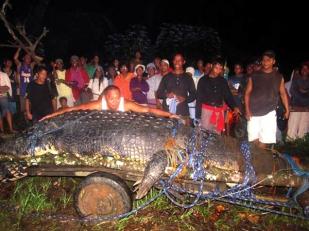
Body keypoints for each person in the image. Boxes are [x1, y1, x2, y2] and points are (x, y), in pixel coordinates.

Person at [42, 85, 179, 120]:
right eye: (111, 98)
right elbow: (73, 109)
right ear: (105, 98)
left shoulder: (125, 104)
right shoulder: (97, 104)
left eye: (117, 98)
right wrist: (51, 115)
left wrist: (169, 114)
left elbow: (148, 109)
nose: (115, 102)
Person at [244, 50, 289, 149]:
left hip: (269, 112)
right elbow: (247, 93)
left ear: (273, 61)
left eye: (268, 60)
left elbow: (283, 94)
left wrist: (287, 109)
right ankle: (254, 159)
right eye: (264, 60)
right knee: (253, 139)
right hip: (253, 112)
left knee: (264, 140)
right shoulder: (255, 75)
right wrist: (247, 110)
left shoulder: (279, 77)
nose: (265, 62)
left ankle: (257, 162)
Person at [196, 59, 240, 134]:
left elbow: (228, 95)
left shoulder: (222, 81)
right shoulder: (203, 80)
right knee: (204, 135)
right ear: (212, 66)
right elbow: (199, 98)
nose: (218, 71)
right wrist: (198, 116)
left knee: (216, 137)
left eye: (220, 69)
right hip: (206, 111)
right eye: (216, 68)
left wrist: (234, 106)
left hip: (218, 112)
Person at [157, 53, 196, 125]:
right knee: (167, 135)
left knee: (183, 135)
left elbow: (194, 94)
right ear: (173, 61)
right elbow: (159, 93)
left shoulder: (188, 78)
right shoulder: (166, 77)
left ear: (183, 62)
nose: (177, 62)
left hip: (183, 112)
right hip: (168, 113)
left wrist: (185, 99)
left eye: (179, 60)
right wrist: (167, 95)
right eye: (175, 60)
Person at [287, 62, 309, 140]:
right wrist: (305, 93)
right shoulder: (296, 79)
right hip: (296, 108)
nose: (304, 70)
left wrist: (301, 91)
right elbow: (293, 92)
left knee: (303, 131)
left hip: (306, 110)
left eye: (306, 68)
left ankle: (300, 148)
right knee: (292, 130)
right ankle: (290, 147)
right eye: (303, 68)